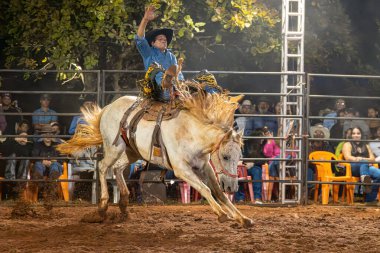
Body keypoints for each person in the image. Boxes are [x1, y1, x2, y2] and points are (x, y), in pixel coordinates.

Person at [135, 5, 184, 102]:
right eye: (160, 39)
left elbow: (179, 75)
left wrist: (182, 86)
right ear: (152, 43)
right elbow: (140, 39)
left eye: (165, 40)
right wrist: (145, 20)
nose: (164, 41)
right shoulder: (148, 53)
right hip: (155, 91)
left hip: (173, 90)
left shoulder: (171, 56)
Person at [342, 127, 380, 204]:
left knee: (378, 174)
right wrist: (362, 160)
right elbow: (347, 157)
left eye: (358, 133)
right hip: (352, 168)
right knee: (364, 163)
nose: (356, 135)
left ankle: (370, 200)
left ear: (361, 135)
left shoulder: (366, 145)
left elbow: (372, 159)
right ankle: (365, 183)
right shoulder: (347, 144)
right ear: (351, 135)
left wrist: (361, 159)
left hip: (366, 167)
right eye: (354, 133)